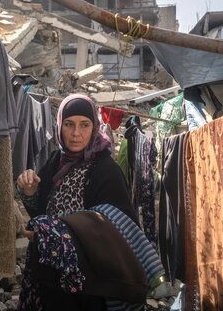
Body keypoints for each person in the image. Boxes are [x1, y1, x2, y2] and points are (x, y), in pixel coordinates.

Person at [16, 94, 138, 310]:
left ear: (94, 128)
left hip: (88, 279)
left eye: (84, 125)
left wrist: (53, 231)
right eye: (69, 124)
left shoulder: (105, 171)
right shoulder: (54, 162)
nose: (76, 134)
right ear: (59, 125)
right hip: (50, 269)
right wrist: (31, 191)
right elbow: (40, 214)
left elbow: (116, 228)